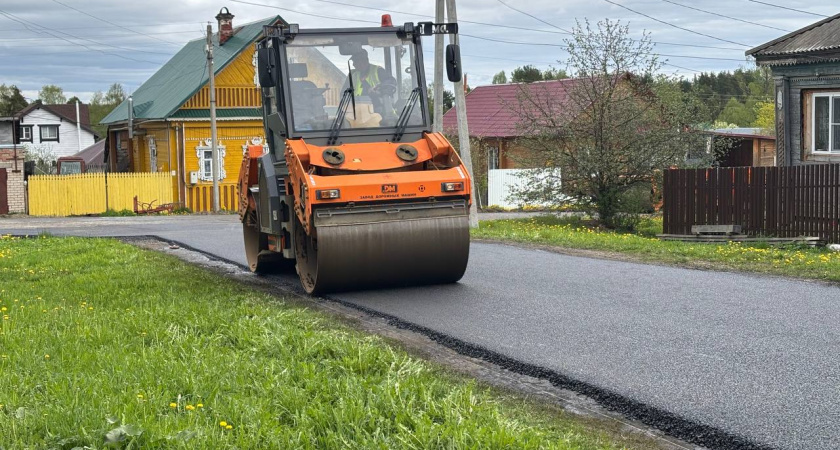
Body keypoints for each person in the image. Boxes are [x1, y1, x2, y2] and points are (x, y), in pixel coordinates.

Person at [348, 50, 397, 116]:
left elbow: (391, 82)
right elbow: (343, 94)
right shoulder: (353, 75)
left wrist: (378, 88)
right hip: (358, 114)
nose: (353, 64)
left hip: (381, 114)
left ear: (365, 61)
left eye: (356, 61)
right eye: (353, 62)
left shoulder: (378, 70)